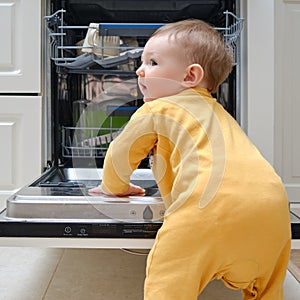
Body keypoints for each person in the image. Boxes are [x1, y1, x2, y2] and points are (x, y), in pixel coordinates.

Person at [88, 19, 291, 300]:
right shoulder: (220, 114)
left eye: (153, 62)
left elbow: (122, 153)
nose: (139, 69)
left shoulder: (158, 108)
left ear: (189, 76)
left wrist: (114, 186)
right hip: (273, 211)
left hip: (205, 212)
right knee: (267, 291)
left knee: (169, 282)